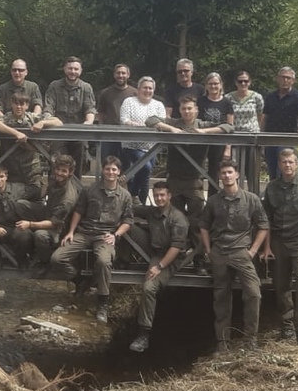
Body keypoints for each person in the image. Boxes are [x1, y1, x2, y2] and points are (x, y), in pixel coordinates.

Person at [146, 96, 235, 274]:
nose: (186, 112)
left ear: (196, 110)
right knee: (175, 221)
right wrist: (171, 129)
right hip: (174, 181)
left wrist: (205, 132)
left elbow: (229, 126)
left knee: (196, 222)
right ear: (180, 110)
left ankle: (199, 259)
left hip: (194, 181)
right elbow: (150, 120)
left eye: (189, 108)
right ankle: (175, 258)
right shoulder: (175, 122)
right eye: (184, 108)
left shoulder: (202, 124)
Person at [50, 155, 133, 323]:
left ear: (119, 172)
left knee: (104, 262)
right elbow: (79, 211)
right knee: (57, 258)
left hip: (106, 236)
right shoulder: (89, 190)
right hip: (85, 232)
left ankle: (102, 303)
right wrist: (71, 232)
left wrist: (116, 235)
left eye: (114, 169)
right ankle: (80, 280)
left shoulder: (125, 195)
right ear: (103, 170)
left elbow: (128, 220)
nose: (110, 172)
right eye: (107, 168)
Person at [199, 158, 268, 351]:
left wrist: (253, 250)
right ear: (220, 176)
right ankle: (223, 341)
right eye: (223, 173)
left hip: (241, 252)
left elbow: (263, 225)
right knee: (221, 297)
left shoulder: (251, 199)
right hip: (219, 252)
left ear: (237, 174)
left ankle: (250, 339)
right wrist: (208, 250)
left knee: (254, 293)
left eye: (230, 172)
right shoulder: (213, 201)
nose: (227, 176)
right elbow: (203, 226)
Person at [261, 149, 298, 347]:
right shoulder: (272, 187)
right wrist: (267, 246)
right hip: (278, 241)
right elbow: (266, 219)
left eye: (291, 162)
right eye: (284, 162)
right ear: (279, 164)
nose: (287, 165)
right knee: (281, 285)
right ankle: (287, 327)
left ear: (297, 164)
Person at [127, 180, 189, 352]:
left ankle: (143, 334)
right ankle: (122, 259)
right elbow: (131, 209)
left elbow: (176, 247)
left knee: (149, 287)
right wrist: (123, 192)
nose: (159, 198)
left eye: (162, 195)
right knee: (127, 224)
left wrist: (159, 266)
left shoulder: (178, 218)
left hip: (170, 257)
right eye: (156, 195)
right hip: (154, 247)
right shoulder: (152, 211)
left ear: (169, 196)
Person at [17, 153, 82, 277]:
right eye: (57, 169)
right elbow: (44, 192)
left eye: (64, 171)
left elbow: (54, 223)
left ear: (71, 172)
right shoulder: (55, 178)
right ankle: (29, 236)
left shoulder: (68, 198)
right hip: (48, 211)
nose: (59, 173)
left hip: (58, 228)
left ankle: (45, 262)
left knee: (40, 235)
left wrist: (30, 224)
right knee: (21, 205)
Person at [36, 55, 96, 176]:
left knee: (79, 165)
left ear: (80, 71)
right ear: (64, 69)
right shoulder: (54, 86)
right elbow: (49, 107)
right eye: (70, 68)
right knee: (56, 165)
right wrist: (48, 120)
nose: (73, 71)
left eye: (76, 69)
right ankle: (55, 193)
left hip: (79, 132)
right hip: (58, 132)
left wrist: (88, 123)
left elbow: (90, 108)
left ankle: (77, 192)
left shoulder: (86, 87)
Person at [118, 76, 166, 204]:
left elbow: (162, 123)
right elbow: (124, 120)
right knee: (145, 167)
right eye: (145, 87)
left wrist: (140, 125)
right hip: (131, 145)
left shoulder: (158, 105)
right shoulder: (129, 102)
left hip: (152, 147)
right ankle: (133, 195)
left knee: (146, 176)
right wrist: (146, 126)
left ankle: (142, 205)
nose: (147, 90)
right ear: (138, 89)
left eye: (150, 88)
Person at [0, 165, 33, 269]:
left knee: (25, 235)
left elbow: (38, 193)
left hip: (16, 227)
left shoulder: (18, 188)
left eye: (1, 176)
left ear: (6, 176)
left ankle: (21, 257)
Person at [261, 66, 298, 180]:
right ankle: (273, 196)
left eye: (288, 78)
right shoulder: (270, 96)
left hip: (287, 138)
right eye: (283, 77)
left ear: (293, 80)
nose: (285, 80)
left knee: (283, 169)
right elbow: (264, 117)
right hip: (269, 138)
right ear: (278, 79)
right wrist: (261, 138)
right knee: (272, 171)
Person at [0, 92, 44, 199]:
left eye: (22, 104)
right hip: (11, 166)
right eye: (16, 104)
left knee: (36, 193)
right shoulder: (6, 118)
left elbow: (57, 122)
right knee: (9, 195)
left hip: (31, 167)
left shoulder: (32, 117)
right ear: (11, 104)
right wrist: (15, 133)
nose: (19, 107)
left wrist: (43, 123)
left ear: (27, 106)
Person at [224, 70, 263, 184]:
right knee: (234, 169)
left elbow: (260, 116)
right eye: (240, 81)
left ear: (249, 82)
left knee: (252, 170)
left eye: (245, 81)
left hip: (252, 138)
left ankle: (253, 197)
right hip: (234, 138)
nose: (243, 84)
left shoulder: (257, 97)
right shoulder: (228, 98)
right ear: (236, 82)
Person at [198, 72, 234, 195]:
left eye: (216, 83)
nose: (213, 86)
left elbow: (230, 126)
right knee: (199, 170)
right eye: (210, 84)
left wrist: (228, 148)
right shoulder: (200, 101)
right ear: (206, 86)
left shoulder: (227, 102)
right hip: (201, 142)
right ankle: (199, 198)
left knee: (216, 172)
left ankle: (214, 199)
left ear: (221, 85)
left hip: (220, 142)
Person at [96, 63, 137, 159]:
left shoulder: (135, 93)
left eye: (123, 73)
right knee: (107, 161)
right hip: (109, 133)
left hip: (129, 133)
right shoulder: (105, 93)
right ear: (114, 75)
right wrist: (101, 130)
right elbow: (101, 113)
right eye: (118, 73)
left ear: (128, 75)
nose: (121, 75)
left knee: (126, 163)